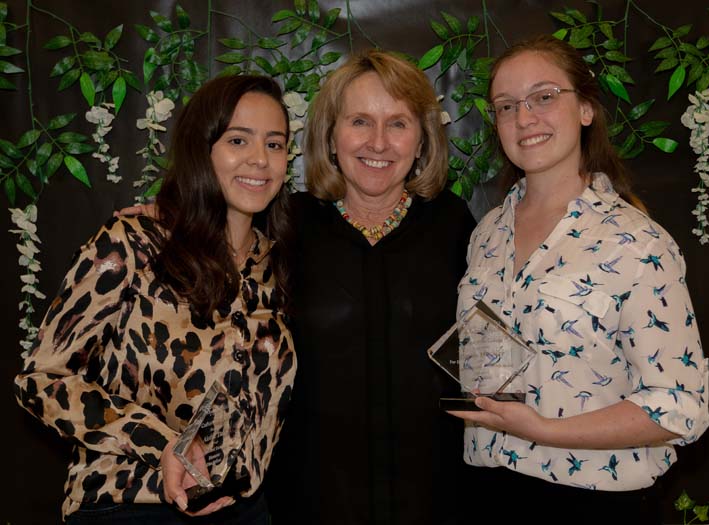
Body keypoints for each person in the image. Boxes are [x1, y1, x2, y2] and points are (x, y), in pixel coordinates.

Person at [14, 74, 297, 524]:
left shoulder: (274, 262)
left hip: (242, 510)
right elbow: (42, 379)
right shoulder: (132, 244)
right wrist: (158, 442)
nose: (260, 160)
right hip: (129, 504)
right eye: (238, 140)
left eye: (276, 144)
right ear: (200, 151)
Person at [451, 34, 709, 524]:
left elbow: (679, 407)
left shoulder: (637, 243)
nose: (524, 117)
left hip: (592, 501)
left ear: (586, 109)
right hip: (484, 491)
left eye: (544, 97)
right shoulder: (485, 232)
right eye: (506, 106)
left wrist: (544, 430)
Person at [265, 49, 477, 524]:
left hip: (435, 496)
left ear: (422, 140)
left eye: (397, 124)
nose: (378, 142)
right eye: (360, 121)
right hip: (310, 497)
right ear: (330, 136)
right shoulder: (286, 224)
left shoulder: (453, 224)